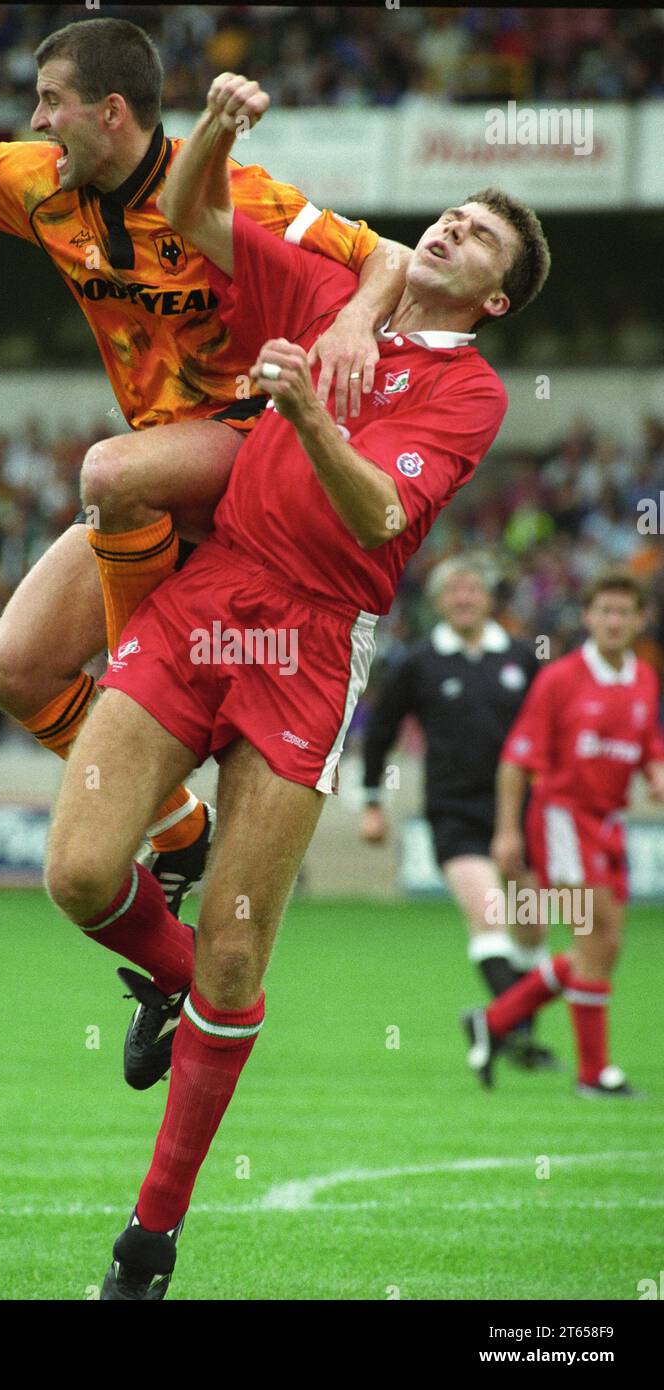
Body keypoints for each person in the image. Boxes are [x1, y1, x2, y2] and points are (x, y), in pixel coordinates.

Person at [43, 73, 551, 1298]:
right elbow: (191, 210)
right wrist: (218, 123)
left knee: (236, 957)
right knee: (76, 872)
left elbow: (378, 513)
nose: (451, 229)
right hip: (213, 600)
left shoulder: (469, 392)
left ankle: (149, 1240)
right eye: (453, 213)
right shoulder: (332, 285)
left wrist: (303, 408)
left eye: (479, 236)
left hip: (317, 640)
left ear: (491, 298)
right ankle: (166, 982)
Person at [0, 17, 410, 913]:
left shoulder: (226, 192)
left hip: (254, 443)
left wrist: (353, 322)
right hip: (162, 465)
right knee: (10, 673)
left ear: (109, 111)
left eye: (50, 101)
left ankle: (147, 687)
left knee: (109, 473)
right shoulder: (38, 185)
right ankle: (180, 828)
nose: (36, 119)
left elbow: (388, 260)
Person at [464, 572, 664, 1097]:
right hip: (562, 819)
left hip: (610, 823)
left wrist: (656, 770)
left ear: (640, 620)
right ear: (588, 618)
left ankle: (496, 1019)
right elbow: (516, 759)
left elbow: (648, 745)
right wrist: (507, 831)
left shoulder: (644, 677)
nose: (615, 621)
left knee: (604, 947)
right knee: (594, 935)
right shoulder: (560, 679)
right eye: (605, 612)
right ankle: (593, 1074)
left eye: (625, 613)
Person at [361, 554, 558, 1069]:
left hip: (523, 812)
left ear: (489, 598)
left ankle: (511, 1033)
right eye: (455, 592)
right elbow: (380, 732)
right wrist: (372, 803)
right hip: (453, 811)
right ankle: (512, 1031)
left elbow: (550, 729)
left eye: (473, 590)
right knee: (489, 914)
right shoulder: (419, 662)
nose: (465, 599)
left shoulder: (521, 656)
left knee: (531, 926)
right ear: (439, 602)